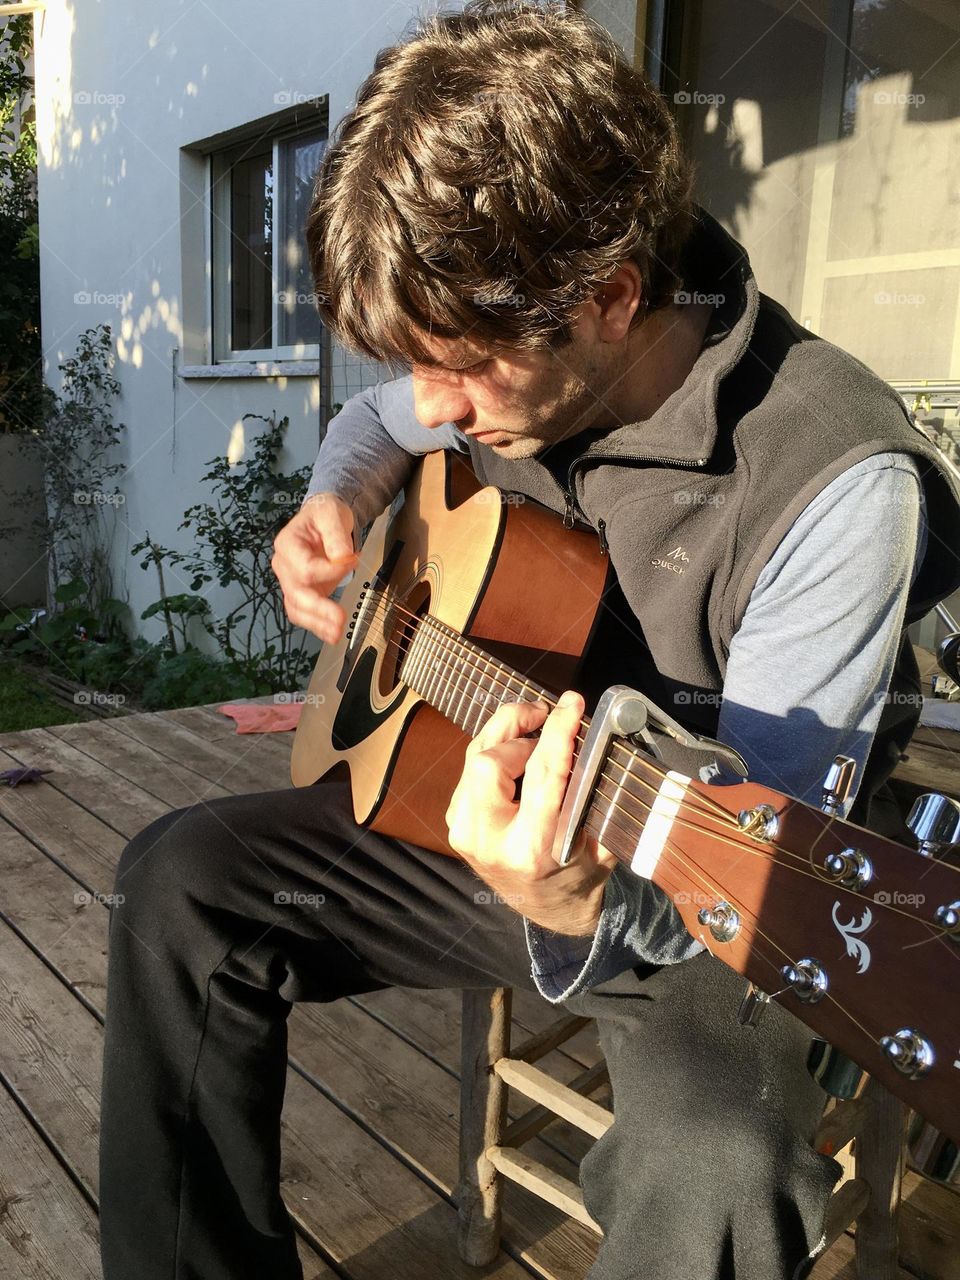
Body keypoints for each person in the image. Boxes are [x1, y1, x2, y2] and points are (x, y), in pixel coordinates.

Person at [98, 4, 960, 1279]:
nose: (432, 404)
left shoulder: (835, 482)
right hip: (487, 817)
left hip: (692, 895)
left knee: (717, 1164)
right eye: (412, 362)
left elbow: (767, 867)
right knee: (176, 881)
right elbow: (379, 423)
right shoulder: (499, 348)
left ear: (611, 297)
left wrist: (567, 897)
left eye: (458, 368)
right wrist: (338, 503)